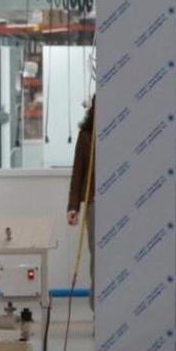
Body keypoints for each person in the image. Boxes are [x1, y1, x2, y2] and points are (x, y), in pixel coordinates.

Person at [67, 97, 95, 307]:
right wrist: (73, 207)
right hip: (95, 203)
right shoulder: (86, 137)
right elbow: (78, 173)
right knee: (98, 257)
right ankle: (98, 312)